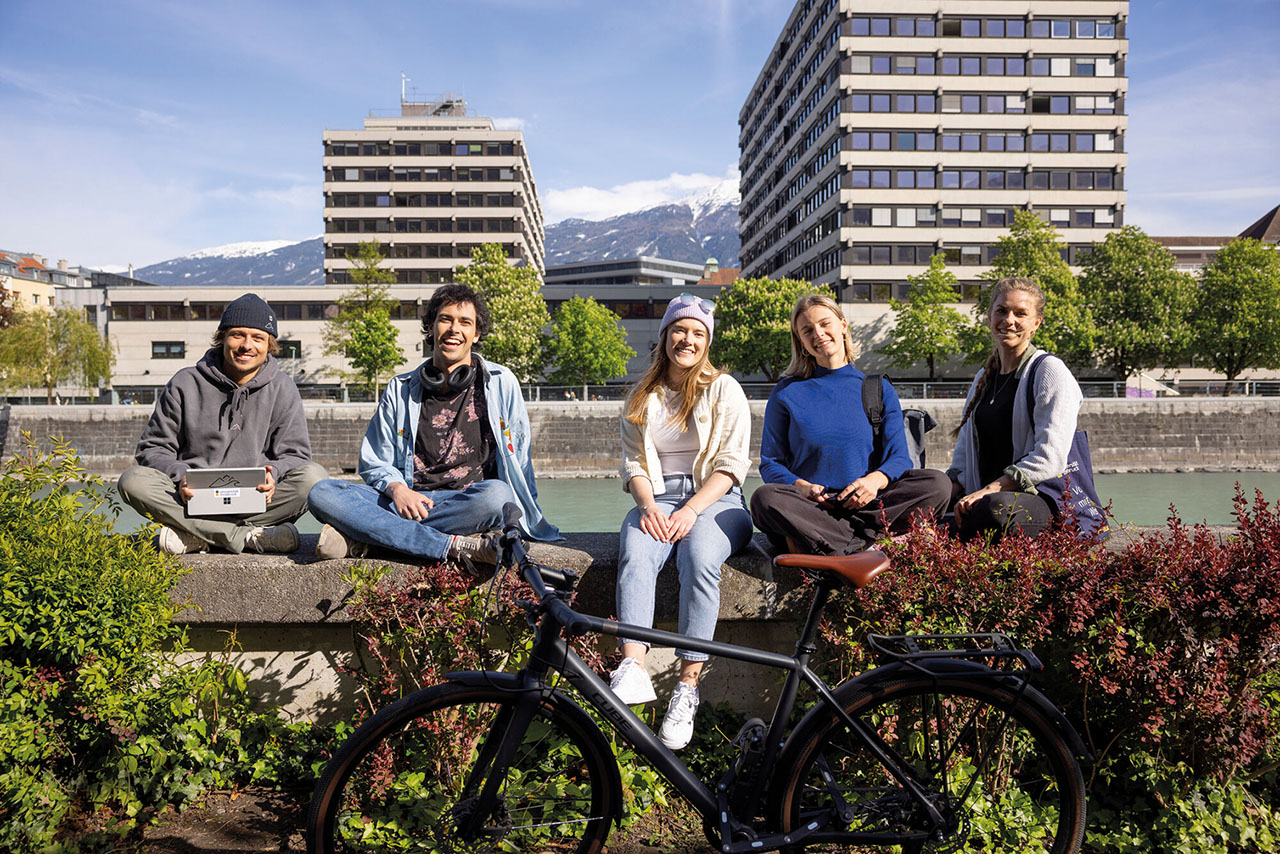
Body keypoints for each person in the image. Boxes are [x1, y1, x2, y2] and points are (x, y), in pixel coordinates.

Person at [308, 283, 559, 562]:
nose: (454, 329)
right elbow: (373, 461)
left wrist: (527, 517)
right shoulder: (400, 388)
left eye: (465, 322)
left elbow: (521, 459)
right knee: (322, 492)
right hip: (405, 502)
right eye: (445, 319)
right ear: (430, 327)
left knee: (499, 495)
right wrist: (398, 490)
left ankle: (370, 538)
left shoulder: (501, 383)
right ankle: (450, 545)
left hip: (468, 502)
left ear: (476, 334)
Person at [608, 294, 753, 750]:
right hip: (659, 497)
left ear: (706, 341)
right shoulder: (641, 395)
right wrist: (649, 506)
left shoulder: (724, 388)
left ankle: (687, 686)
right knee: (634, 549)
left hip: (719, 497)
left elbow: (732, 465)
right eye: (679, 330)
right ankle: (633, 667)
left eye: (697, 333)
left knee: (700, 555)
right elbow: (633, 464)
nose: (686, 339)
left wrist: (692, 510)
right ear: (666, 336)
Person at [117, 293, 326, 555]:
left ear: (269, 344)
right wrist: (180, 476)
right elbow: (153, 449)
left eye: (257, 338)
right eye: (238, 335)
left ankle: (198, 535)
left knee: (315, 479)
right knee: (133, 481)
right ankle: (245, 537)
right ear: (223, 338)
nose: (246, 345)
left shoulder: (283, 387)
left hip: (257, 499)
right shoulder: (185, 383)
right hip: (192, 500)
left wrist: (275, 473)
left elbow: (296, 455)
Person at [750, 293, 950, 555]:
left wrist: (873, 482)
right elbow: (771, 463)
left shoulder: (878, 388)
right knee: (764, 499)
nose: (818, 334)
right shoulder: (786, 392)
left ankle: (836, 544)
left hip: (870, 504)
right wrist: (801, 487)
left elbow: (900, 457)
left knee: (938, 483)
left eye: (824, 324)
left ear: (843, 325)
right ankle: (867, 544)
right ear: (799, 340)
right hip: (814, 508)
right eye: (807, 330)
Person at [947, 277, 1084, 541]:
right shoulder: (982, 379)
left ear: (1036, 323)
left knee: (995, 508)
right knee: (926, 498)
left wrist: (990, 490)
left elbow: (1049, 458)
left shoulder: (1049, 371)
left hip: (1035, 500)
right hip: (982, 498)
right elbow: (963, 461)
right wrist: (939, 493)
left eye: (1020, 313)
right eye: (1001, 311)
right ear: (989, 317)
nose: (1009, 320)